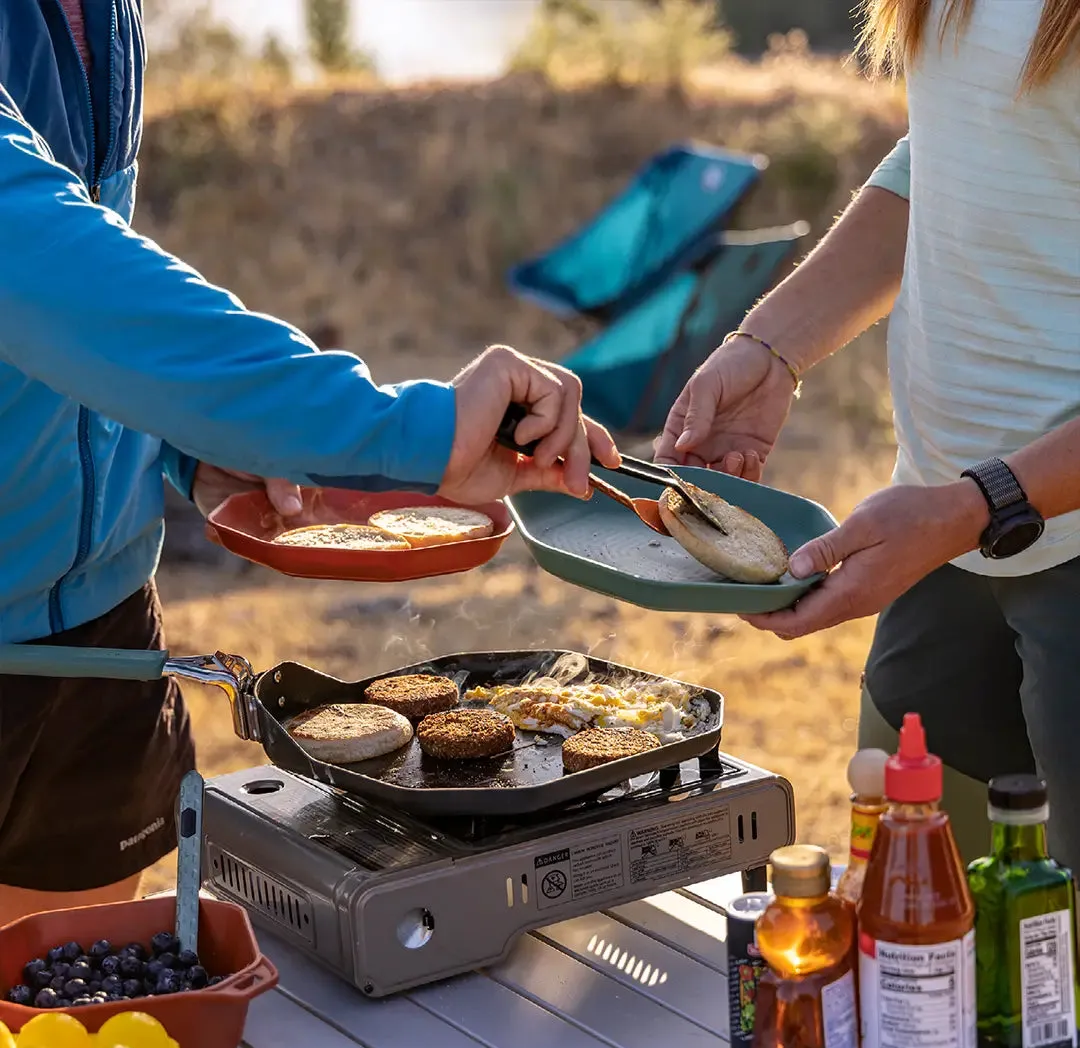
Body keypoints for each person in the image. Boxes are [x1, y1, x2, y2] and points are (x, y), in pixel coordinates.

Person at [0, 1, 619, 927]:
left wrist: (185, 443)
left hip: (101, 638)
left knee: (70, 1037)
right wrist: (407, 432)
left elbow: (89, 308)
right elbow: (37, 259)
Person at [658, 0, 1080, 868]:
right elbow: (955, 152)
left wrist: (982, 502)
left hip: (1004, 528)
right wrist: (775, 344)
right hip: (942, 539)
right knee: (918, 956)